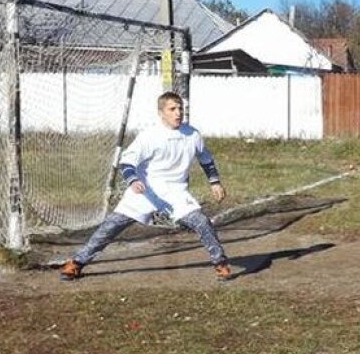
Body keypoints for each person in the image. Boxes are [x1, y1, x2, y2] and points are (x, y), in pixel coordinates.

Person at [59, 92, 232, 281]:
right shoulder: (150, 136)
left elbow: (206, 159)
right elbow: (127, 162)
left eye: (180, 108)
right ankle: (77, 263)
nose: (178, 113)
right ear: (161, 112)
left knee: (201, 222)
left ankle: (220, 263)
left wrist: (215, 182)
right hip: (145, 191)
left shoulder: (192, 135)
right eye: (172, 109)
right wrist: (133, 180)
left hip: (176, 193)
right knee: (110, 227)